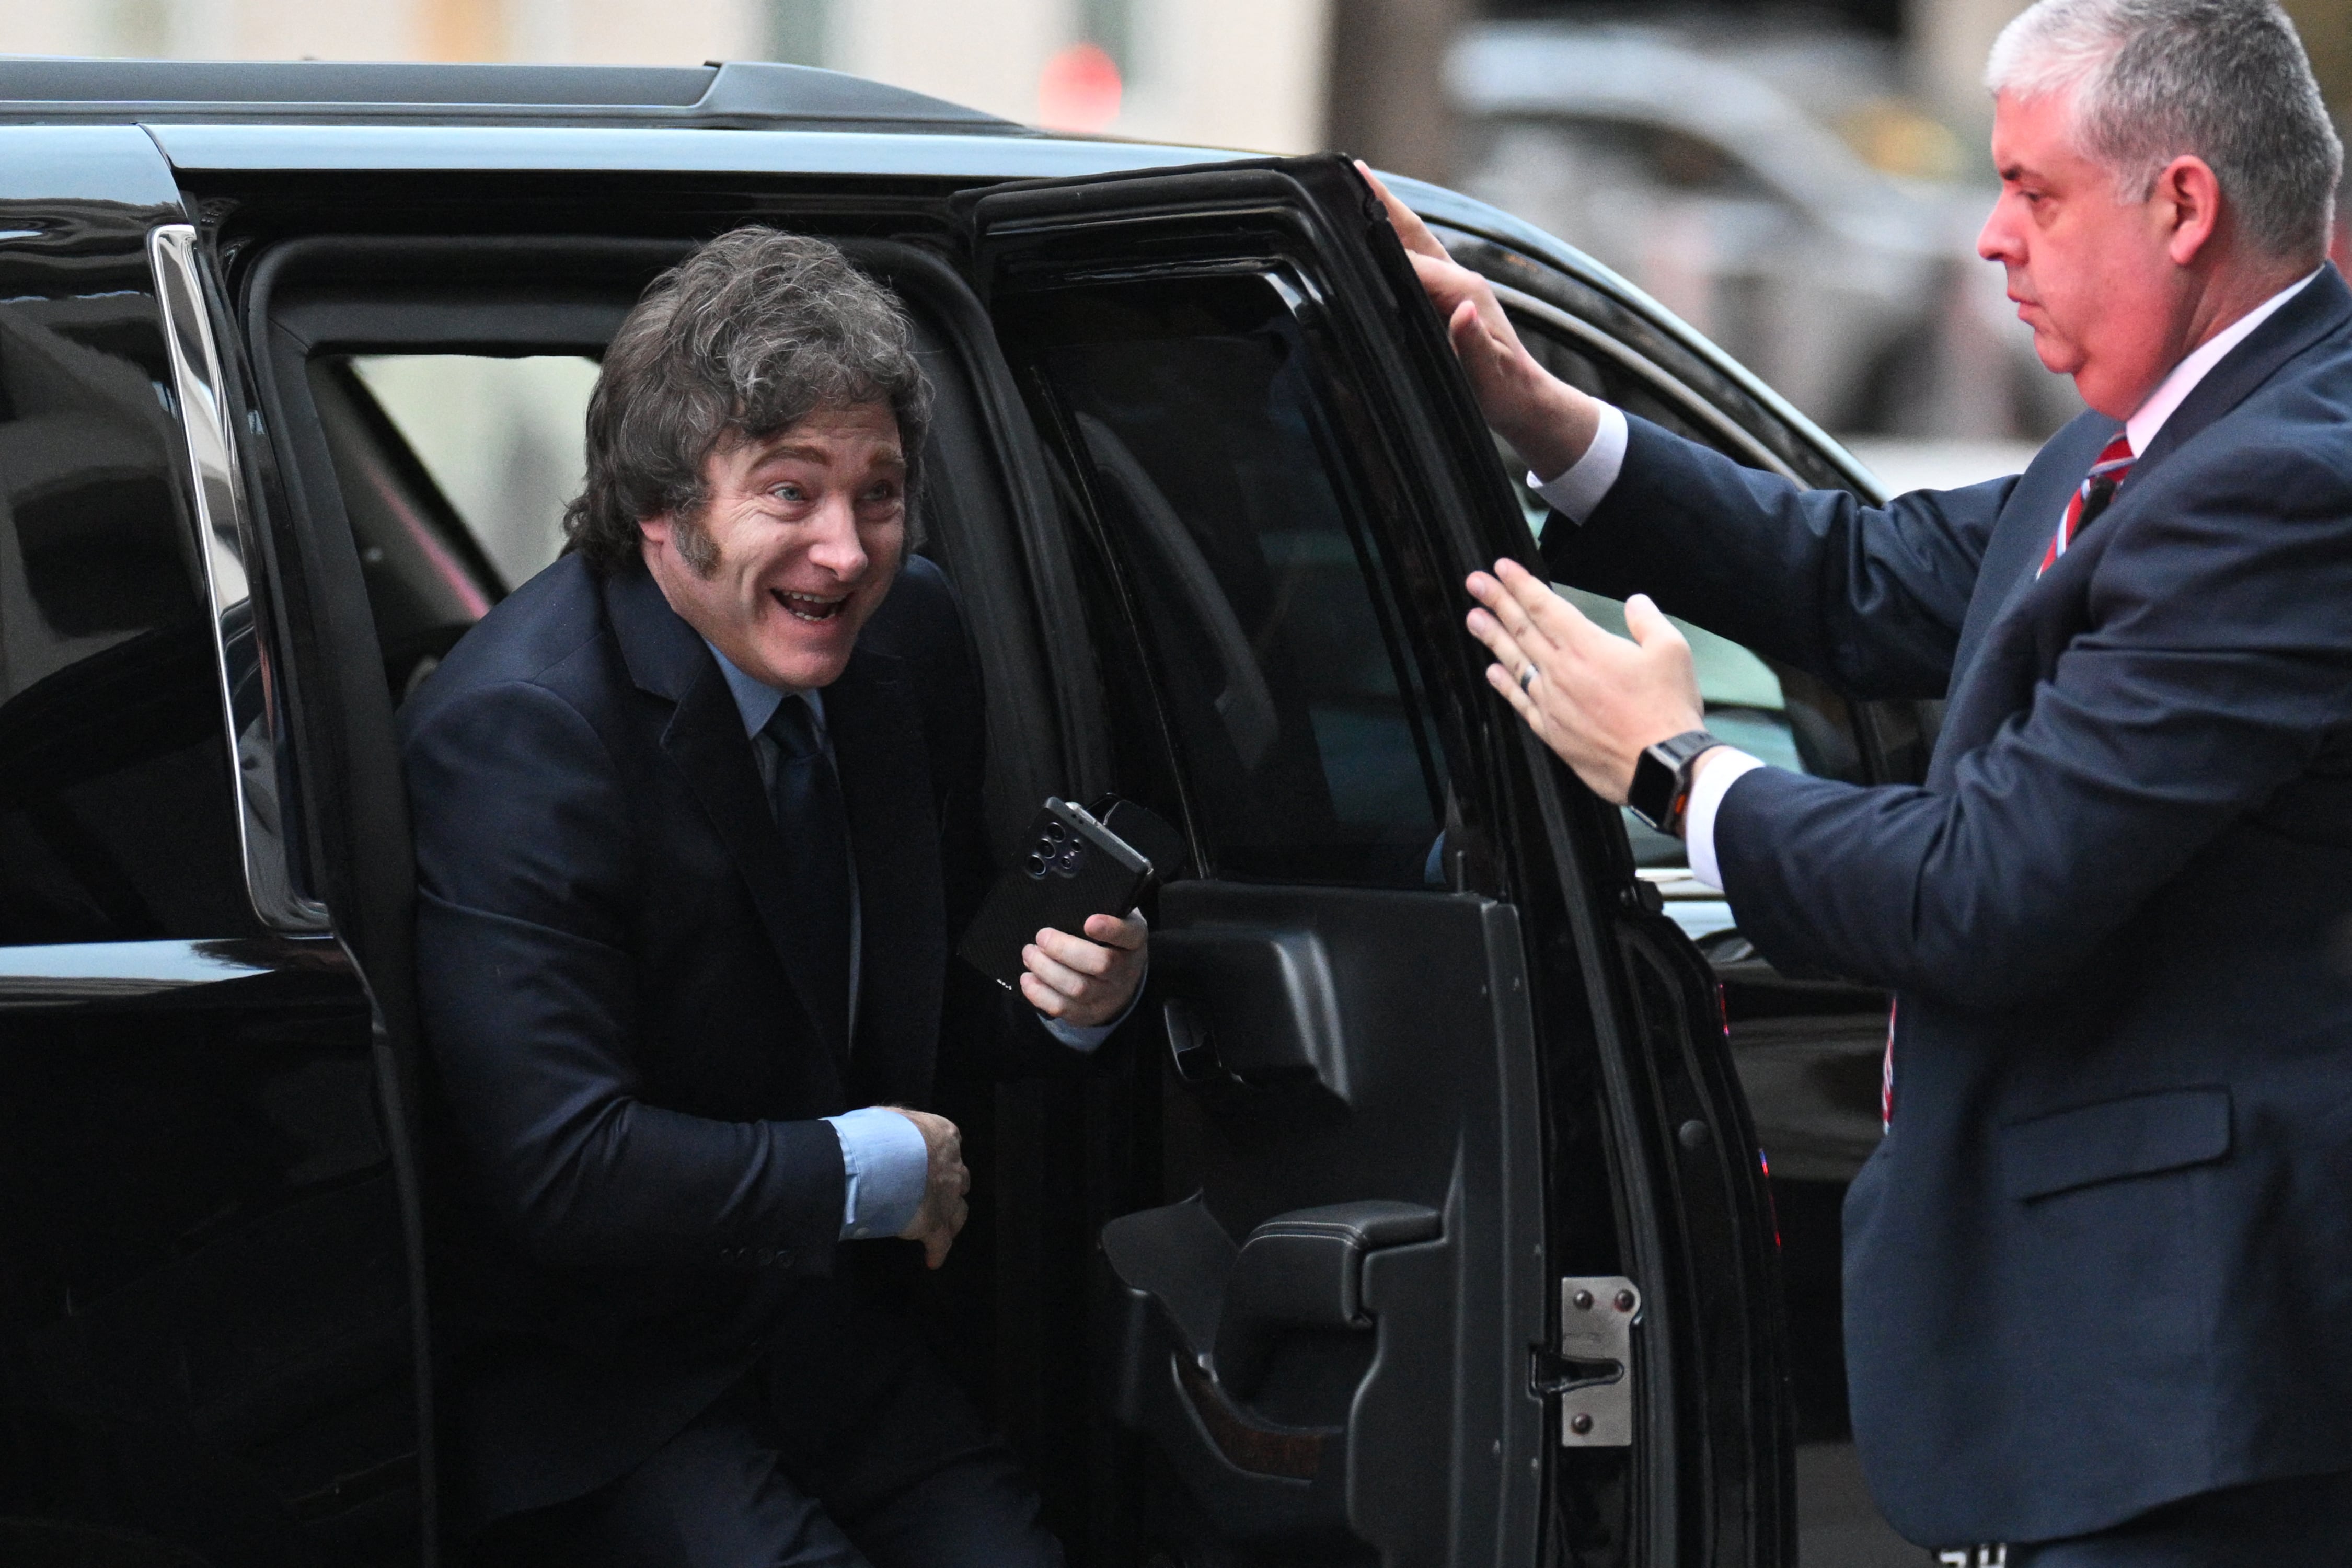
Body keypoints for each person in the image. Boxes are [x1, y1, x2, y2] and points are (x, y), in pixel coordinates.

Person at [1375, 0, 2352, 1560]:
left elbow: (1983, 889)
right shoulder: (2182, 432)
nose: (1986, 240)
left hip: (2192, 1388)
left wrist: (1675, 766)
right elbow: (1864, 574)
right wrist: (1539, 413)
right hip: (2140, 1371)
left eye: (2031, 190)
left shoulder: (2285, 479)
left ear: (2180, 204)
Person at [400, 227, 1147, 1567]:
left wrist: (1077, 1001)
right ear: (660, 505)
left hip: (830, 1349)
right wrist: (871, 1171)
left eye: (878, 494)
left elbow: (922, 999)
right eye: (789, 492)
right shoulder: (525, 729)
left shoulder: (905, 643)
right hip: (605, 1389)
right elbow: (561, 1169)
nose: (846, 551)